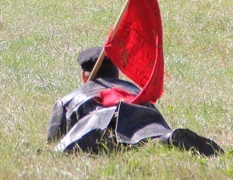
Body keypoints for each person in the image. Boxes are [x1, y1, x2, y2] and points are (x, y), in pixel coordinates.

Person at [47, 47, 223, 156]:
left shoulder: (67, 100)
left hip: (96, 124)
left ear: (83, 76)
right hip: (142, 119)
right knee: (148, 139)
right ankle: (167, 139)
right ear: (117, 72)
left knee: (72, 148)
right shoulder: (136, 90)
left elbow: (54, 139)